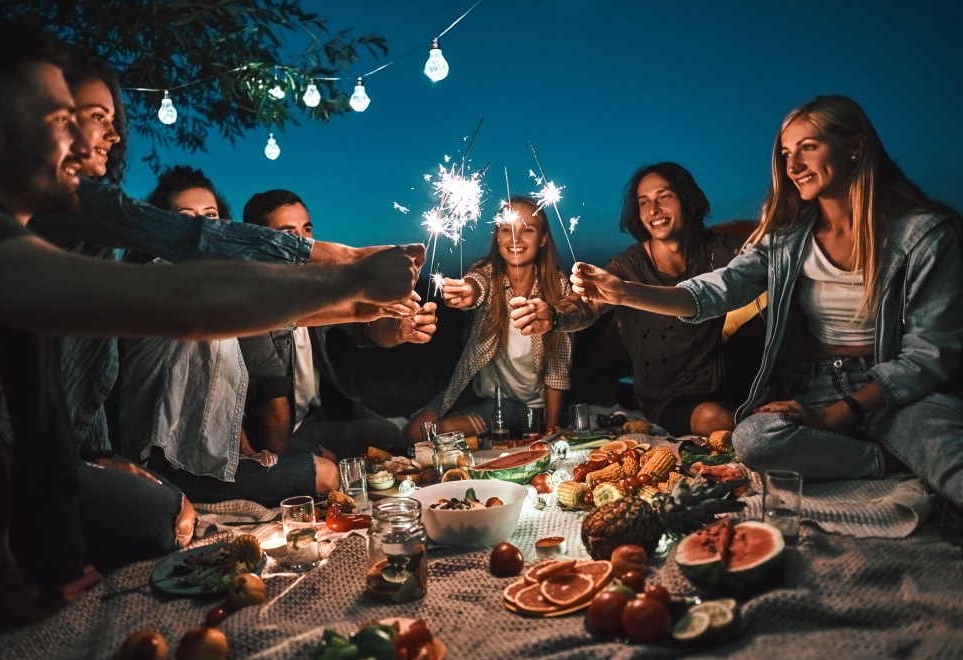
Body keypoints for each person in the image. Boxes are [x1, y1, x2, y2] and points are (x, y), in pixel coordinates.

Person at [0, 17, 421, 622]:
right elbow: (186, 298)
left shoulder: (7, 234)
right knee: (154, 515)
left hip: (35, 465)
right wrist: (349, 276)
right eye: (67, 122)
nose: (94, 143)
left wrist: (8, 590)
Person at [570, 95, 963, 505]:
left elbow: (928, 356)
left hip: (893, 388)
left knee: (951, 463)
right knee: (755, 440)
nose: (792, 166)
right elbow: (714, 290)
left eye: (808, 147)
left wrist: (840, 414)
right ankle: (889, 460)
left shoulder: (924, 235)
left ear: (856, 147)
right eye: (787, 153)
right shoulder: (786, 237)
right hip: (815, 383)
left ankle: (906, 452)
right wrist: (623, 291)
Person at [121, 168, 338, 504]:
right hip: (167, 462)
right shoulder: (161, 279)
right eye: (186, 217)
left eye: (211, 215)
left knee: (329, 457)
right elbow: (279, 309)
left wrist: (248, 452)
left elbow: (215, 396)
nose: (203, 226)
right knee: (325, 475)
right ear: (161, 228)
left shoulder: (216, 280)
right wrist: (360, 281)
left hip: (213, 447)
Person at [508, 162, 764, 436]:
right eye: (644, 202)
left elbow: (761, 253)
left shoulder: (718, 250)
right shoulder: (629, 266)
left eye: (664, 196)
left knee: (774, 301)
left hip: (725, 376)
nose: (653, 210)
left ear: (687, 199)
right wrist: (555, 316)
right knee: (715, 420)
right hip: (671, 395)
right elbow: (586, 304)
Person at [242, 189, 439, 458]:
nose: (304, 243)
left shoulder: (317, 286)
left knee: (397, 434)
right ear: (259, 243)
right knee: (386, 440)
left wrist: (401, 329)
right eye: (288, 234)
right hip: (281, 432)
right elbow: (270, 408)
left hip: (324, 411)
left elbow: (368, 328)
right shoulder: (253, 302)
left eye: (307, 229)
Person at [404, 196, 573, 443]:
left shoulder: (557, 287)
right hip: (478, 391)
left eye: (527, 230)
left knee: (441, 433)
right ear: (497, 236)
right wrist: (467, 292)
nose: (516, 239)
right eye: (506, 229)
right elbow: (477, 283)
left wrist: (552, 428)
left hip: (525, 405)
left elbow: (559, 364)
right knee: (414, 431)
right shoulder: (488, 273)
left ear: (543, 238)